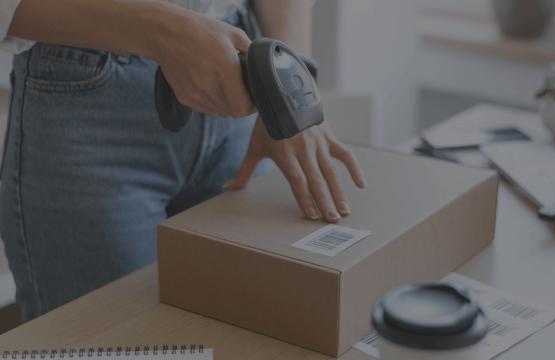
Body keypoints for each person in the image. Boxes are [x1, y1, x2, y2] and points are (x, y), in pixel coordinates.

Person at [0, 0, 366, 321]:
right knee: (106, 343)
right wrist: (161, 30)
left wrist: (291, 84)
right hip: (86, 100)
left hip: (239, 77)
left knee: (247, 337)